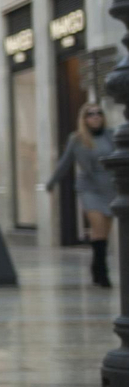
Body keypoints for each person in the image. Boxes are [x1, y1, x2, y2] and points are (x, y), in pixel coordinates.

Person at [48, 103, 115, 289]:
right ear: (84, 118)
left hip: (110, 188)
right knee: (98, 228)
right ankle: (103, 273)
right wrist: (51, 183)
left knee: (103, 233)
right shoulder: (77, 139)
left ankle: (95, 266)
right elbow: (65, 162)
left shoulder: (112, 135)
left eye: (98, 113)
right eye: (90, 114)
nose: (95, 117)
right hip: (89, 189)